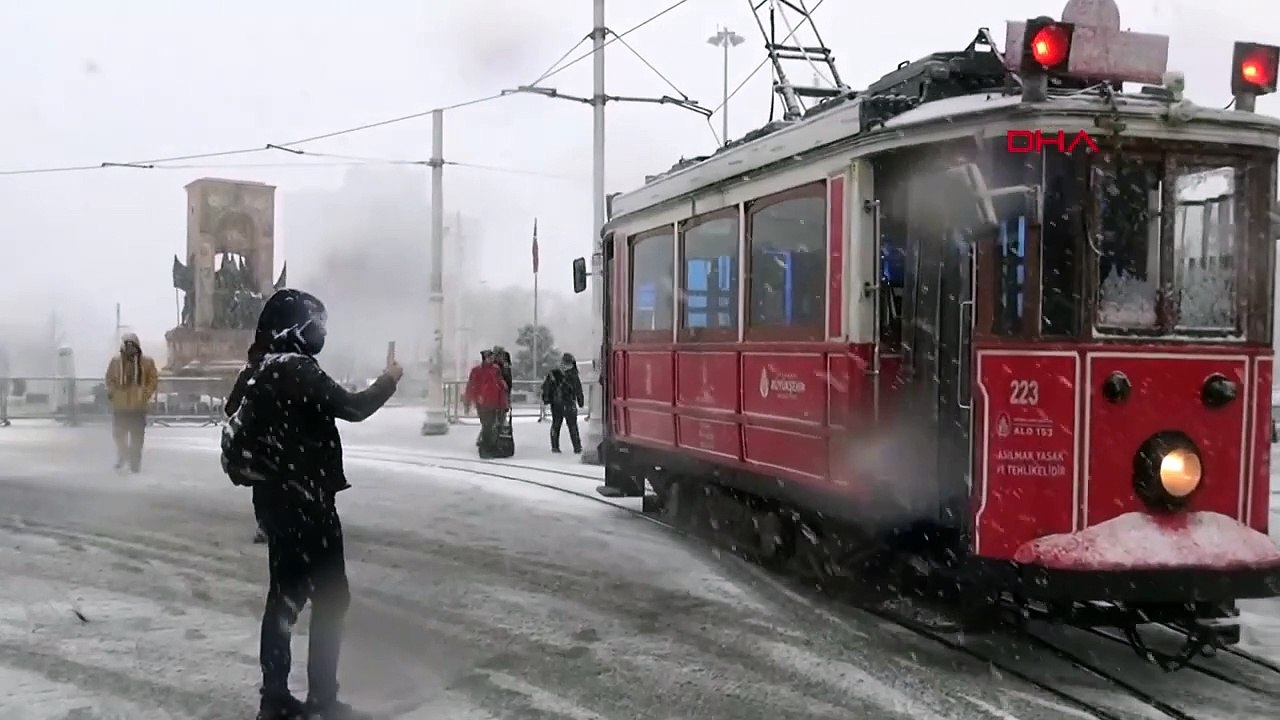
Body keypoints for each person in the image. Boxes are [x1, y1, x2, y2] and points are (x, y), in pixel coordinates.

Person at [221, 288, 401, 720]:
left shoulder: (258, 370)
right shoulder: (297, 370)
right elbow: (354, 407)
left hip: (275, 504)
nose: (321, 334)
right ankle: (322, 696)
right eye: (315, 326)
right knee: (332, 598)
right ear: (296, 329)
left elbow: (236, 418)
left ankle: (275, 699)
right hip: (309, 501)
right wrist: (390, 379)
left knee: (283, 599)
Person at [225, 344, 270, 544]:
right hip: (280, 438)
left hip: (256, 439)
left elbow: (231, 407)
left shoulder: (250, 374)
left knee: (261, 482)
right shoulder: (286, 373)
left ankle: (265, 524)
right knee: (277, 482)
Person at [104, 332, 159, 472]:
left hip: (138, 407)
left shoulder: (146, 362)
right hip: (120, 405)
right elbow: (109, 379)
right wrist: (113, 392)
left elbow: (153, 379)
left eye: (132, 345)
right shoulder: (115, 362)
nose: (130, 349)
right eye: (127, 345)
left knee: (137, 438)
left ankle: (135, 463)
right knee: (118, 435)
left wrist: (145, 393)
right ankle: (124, 454)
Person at [464, 349, 509, 458]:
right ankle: (485, 448)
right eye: (489, 357)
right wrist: (468, 401)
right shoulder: (477, 371)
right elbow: (471, 386)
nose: (491, 359)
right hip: (483, 402)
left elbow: (500, 386)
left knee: (493, 425)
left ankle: (490, 447)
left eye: (492, 357)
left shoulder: (495, 370)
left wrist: (504, 402)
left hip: (494, 402)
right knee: (487, 425)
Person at [540, 353, 585, 454]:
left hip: (556, 403)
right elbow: (578, 389)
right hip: (569, 402)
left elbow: (546, 387)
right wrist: (580, 400)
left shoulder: (553, 374)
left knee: (556, 425)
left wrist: (546, 398)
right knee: (572, 426)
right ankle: (577, 447)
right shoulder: (573, 374)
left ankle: (555, 446)